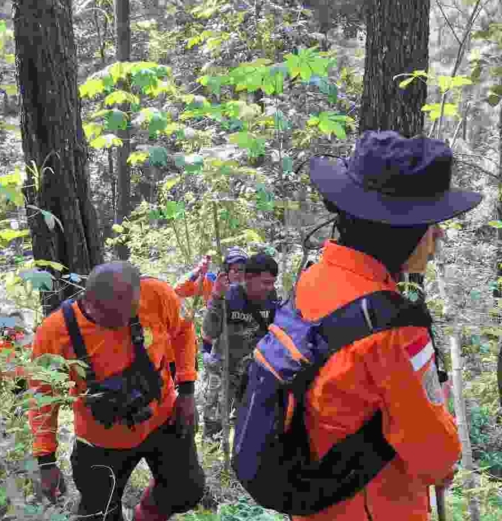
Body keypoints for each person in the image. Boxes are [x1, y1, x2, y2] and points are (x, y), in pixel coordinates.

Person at [292, 130, 482, 520]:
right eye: (431, 223)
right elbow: (434, 457)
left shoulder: (313, 279)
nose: (439, 233)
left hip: (312, 502)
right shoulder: (391, 330)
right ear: (403, 230)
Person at [29, 261, 204, 521]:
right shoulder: (56, 331)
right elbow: (43, 397)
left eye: (129, 313)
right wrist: (46, 460)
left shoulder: (156, 295)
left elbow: (183, 332)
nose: (122, 323)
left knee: (186, 490)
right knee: (99, 513)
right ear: (90, 303)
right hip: (101, 438)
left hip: (163, 418)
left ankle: (146, 514)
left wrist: (187, 391)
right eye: (113, 317)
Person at [200, 251, 281, 440]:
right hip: (223, 371)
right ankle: (215, 462)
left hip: (253, 373)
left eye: (272, 282)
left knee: (246, 430)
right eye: (265, 283)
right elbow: (209, 333)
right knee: (214, 429)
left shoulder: (272, 298)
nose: (270, 288)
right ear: (249, 278)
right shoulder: (229, 295)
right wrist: (216, 298)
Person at [173, 247, 249, 301]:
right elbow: (179, 291)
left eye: (242, 270)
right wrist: (197, 271)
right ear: (226, 269)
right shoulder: (212, 282)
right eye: (235, 270)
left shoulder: (254, 288)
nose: (238, 274)